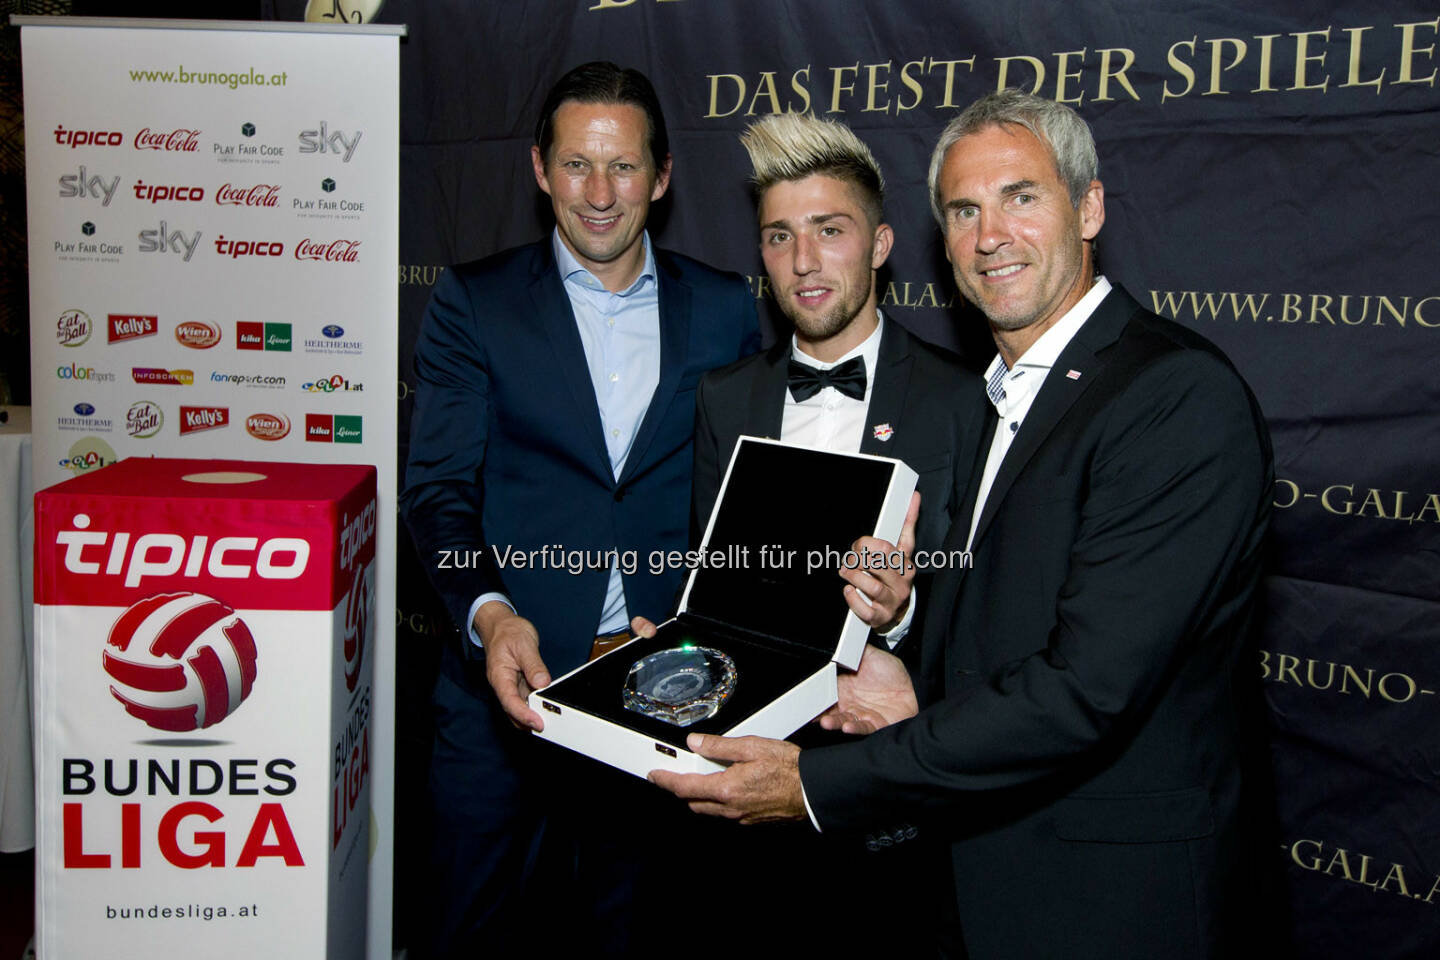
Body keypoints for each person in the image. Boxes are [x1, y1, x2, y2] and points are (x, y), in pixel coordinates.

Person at [650, 89, 1275, 959]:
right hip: (987, 869)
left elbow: (1085, 690)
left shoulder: (1173, 396)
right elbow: (1004, 617)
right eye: (964, 210)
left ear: (1089, 207)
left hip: (1115, 895)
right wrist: (908, 655)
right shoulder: (1004, 395)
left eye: (1022, 197)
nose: (990, 235)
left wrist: (820, 784)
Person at [400, 61, 759, 956]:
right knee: (471, 931)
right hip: (502, 699)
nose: (599, 194)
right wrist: (491, 616)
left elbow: (741, 497)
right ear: (538, 169)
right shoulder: (473, 303)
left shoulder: (724, 310)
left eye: (624, 167)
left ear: (663, 176)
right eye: (575, 165)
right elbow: (438, 493)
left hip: (661, 693)